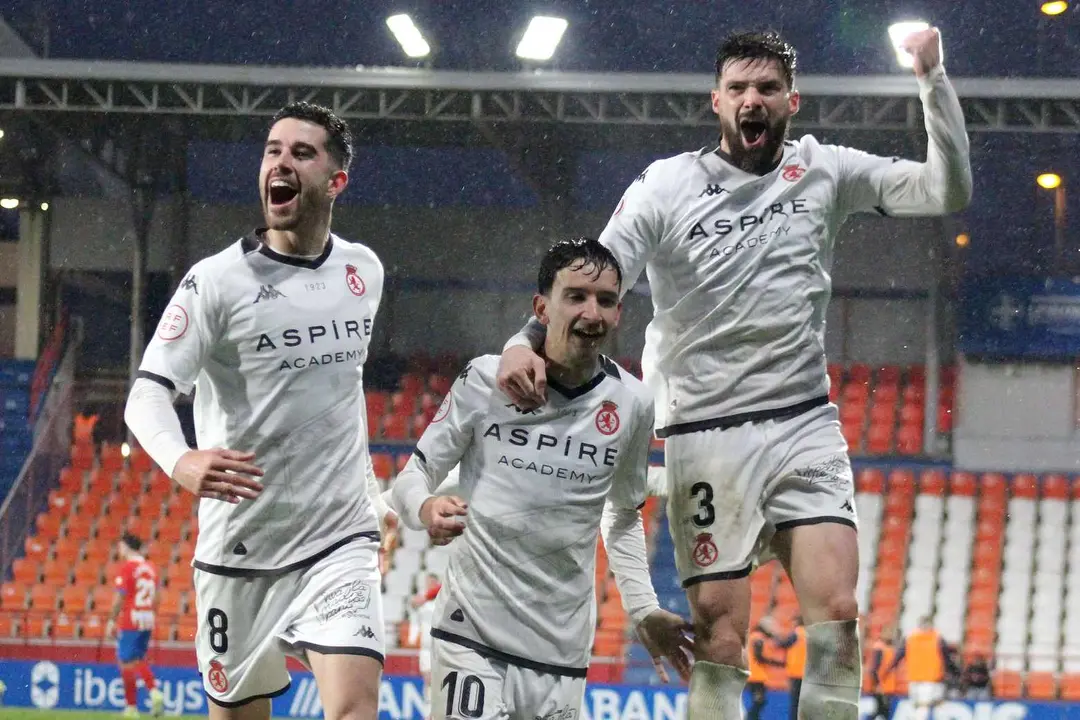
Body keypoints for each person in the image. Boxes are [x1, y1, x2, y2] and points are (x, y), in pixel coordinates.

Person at [497, 27, 971, 720]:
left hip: (804, 422)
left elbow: (945, 189)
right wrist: (523, 341)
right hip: (704, 435)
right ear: (716, 102)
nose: (754, 100)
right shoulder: (667, 186)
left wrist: (931, 78)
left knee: (838, 614)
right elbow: (592, 277)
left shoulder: (826, 170)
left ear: (792, 102)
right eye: (740, 89)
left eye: (768, 89)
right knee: (721, 638)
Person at [124, 101, 393, 720]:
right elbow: (147, 393)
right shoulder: (215, 281)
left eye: (302, 153)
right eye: (273, 150)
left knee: (355, 708)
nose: (282, 162)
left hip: (339, 539)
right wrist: (180, 459)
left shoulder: (364, 271)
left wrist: (369, 494)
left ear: (335, 181)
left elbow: (337, 393)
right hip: (240, 552)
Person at [391, 238, 694, 720]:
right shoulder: (484, 380)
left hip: (562, 653)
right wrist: (425, 508)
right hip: (472, 634)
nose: (592, 313)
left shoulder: (633, 404)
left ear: (618, 315)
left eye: (606, 301)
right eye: (576, 296)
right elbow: (411, 479)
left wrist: (642, 608)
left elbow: (622, 514)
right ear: (541, 307)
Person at [105, 533, 165, 718]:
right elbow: (157, 597)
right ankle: (151, 694)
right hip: (146, 618)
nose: (119, 550)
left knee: (126, 661)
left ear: (127, 547)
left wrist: (111, 620)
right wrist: (150, 613)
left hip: (131, 619)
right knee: (138, 658)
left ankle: (133, 706)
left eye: (121, 546)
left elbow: (120, 596)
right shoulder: (151, 567)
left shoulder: (128, 567)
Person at [886, 616, 957, 720]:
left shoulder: (910, 638)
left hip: (914, 679)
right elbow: (947, 659)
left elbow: (898, 656)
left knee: (917, 707)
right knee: (931, 707)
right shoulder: (937, 638)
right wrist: (954, 672)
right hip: (932, 680)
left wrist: (889, 670)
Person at [409, 573, 443, 713]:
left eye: (432, 581)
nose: (430, 583)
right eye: (428, 581)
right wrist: (412, 638)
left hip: (439, 643)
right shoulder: (421, 598)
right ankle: (427, 710)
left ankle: (436, 710)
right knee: (428, 679)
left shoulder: (441, 597)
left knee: (437, 680)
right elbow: (414, 616)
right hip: (425, 645)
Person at [746, 618, 784, 720]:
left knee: (759, 701)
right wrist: (777, 663)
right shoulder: (758, 638)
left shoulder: (755, 636)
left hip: (756, 675)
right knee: (759, 701)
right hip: (756, 676)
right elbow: (759, 657)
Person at [868, 627, 900, 720]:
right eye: (888, 633)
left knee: (884, 713)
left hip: (888, 687)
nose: (890, 635)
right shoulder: (880, 648)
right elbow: (874, 669)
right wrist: (877, 685)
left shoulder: (889, 647)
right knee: (880, 712)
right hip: (882, 688)